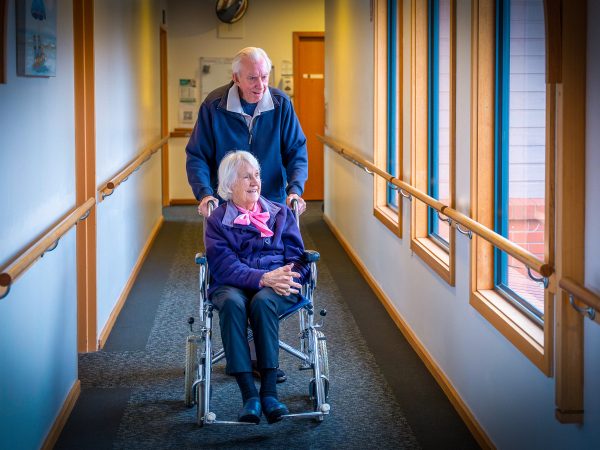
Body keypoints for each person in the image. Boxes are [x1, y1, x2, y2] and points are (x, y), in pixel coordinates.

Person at [204, 151, 308, 424]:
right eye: (246, 176)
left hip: (277, 285)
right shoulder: (217, 221)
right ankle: (249, 396)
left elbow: (298, 258)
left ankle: (270, 394)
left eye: (257, 175)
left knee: (263, 301)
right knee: (231, 303)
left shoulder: (280, 214)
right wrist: (263, 278)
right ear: (228, 185)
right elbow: (224, 267)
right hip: (232, 284)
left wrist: (287, 276)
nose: (255, 182)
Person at [185, 46, 308, 217]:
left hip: (271, 202)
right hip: (226, 204)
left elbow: (296, 150)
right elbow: (198, 155)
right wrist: (204, 194)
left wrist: (295, 189)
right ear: (236, 77)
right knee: (227, 244)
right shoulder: (214, 106)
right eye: (252, 78)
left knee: (273, 244)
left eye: (264, 77)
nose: (260, 85)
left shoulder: (281, 104)